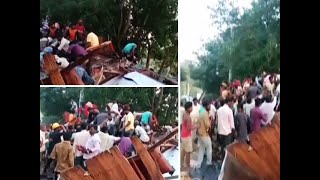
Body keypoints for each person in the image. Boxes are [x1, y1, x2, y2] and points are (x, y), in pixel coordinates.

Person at [196, 100, 213, 168]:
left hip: (200, 134)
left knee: (201, 149)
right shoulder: (205, 113)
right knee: (209, 148)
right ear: (206, 105)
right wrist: (211, 120)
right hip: (204, 134)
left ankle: (198, 164)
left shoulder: (201, 112)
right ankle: (209, 162)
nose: (210, 107)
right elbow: (207, 125)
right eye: (209, 105)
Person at [181, 102, 196, 175]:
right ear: (188, 108)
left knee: (183, 151)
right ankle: (188, 168)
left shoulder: (184, 114)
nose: (192, 108)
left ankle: (181, 165)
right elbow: (189, 128)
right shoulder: (188, 117)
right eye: (191, 107)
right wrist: (197, 126)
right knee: (188, 152)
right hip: (187, 136)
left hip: (183, 135)